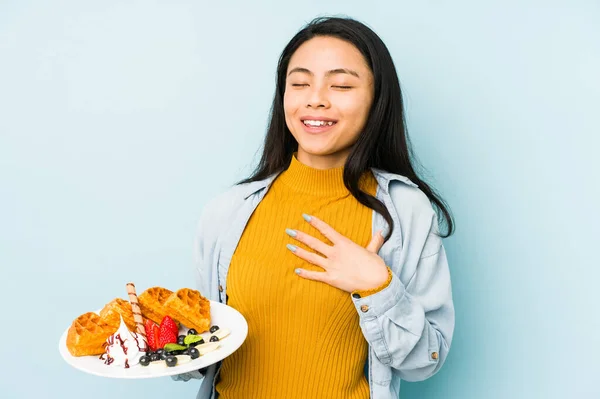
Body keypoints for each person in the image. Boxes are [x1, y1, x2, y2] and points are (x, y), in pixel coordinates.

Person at [174, 16, 455, 399]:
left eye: (340, 85)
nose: (315, 98)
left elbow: (426, 360)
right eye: (300, 83)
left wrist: (377, 287)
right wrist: (163, 339)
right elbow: (203, 348)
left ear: (377, 100)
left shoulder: (405, 211)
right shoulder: (226, 212)